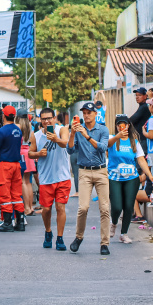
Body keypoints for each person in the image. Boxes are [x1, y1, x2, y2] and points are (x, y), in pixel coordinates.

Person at [67, 102, 111, 255]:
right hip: (84, 171)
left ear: (95, 114)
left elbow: (103, 148)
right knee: (83, 207)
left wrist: (87, 136)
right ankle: (78, 237)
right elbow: (70, 149)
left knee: (105, 208)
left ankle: (104, 243)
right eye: (84, 113)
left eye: (89, 113)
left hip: (100, 171)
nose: (86, 116)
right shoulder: (78, 130)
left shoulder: (103, 129)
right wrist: (73, 133)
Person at [107, 115, 153, 244]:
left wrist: (149, 175)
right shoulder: (112, 139)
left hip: (131, 178)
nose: (121, 126)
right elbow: (105, 146)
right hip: (115, 178)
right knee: (117, 206)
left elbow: (140, 159)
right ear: (116, 126)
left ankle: (124, 234)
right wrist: (117, 136)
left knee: (129, 206)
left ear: (128, 125)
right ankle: (113, 223)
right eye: (118, 124)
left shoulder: (133, 141)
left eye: (123, 124)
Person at [28, 108, 71, 251]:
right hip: (46, 178)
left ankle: (60, 238)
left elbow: (65, 143)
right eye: (43, 119)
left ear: (54, 118)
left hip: (62, 177)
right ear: (40, 120)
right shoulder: (36, 135)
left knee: (60, 207)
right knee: (46, 209)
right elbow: (30, 153)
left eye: (49, 118)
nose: (47, 121)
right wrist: (38, 153)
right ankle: (48, 232)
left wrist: (56, 139)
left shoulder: (61, 129)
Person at [0, 106, 25, 232]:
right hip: (16, 165)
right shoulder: (18, 130)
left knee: (4, 194)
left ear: (3, 116)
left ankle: (7, 223)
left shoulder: (2, 131)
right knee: (16, 194)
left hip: (4, 165)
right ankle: (20, 222)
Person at [17, 111, 36, 217]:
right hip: (28, 152)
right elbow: (32, 141)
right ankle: (30, 206)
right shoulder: (30, 127)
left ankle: (26, 208)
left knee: (23, 181)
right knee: (28, 182)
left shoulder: (18, 127)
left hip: (21, 153)